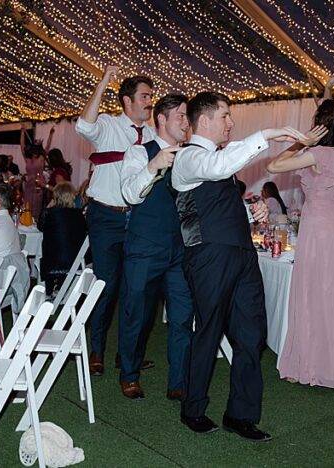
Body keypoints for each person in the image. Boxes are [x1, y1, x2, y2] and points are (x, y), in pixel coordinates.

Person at [171, 91, 300, 441]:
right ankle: (193, 408)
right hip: (209, 255)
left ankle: (241, 415)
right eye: (225, 115)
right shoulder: (188, 157)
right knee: (208, 331)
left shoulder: (218, 159)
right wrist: (268, 134)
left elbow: (216, 201)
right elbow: (216, 169)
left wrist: (250, 211)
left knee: (251, 334)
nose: (231, 122)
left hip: (242, 254)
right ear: (205, 120)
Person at [267, 99, 334, 387]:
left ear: (319, 127)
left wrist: (302, 141)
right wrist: (328, 91)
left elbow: (274, 165)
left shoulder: (317, 153)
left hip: (319, 225)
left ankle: (311, 364)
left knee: (312, 291)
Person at [76, 65, 155, 376]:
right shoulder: (108, 125)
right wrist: (104, 82)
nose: (150, 102)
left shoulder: (153, 135)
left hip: (139, 219)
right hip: (106, 216)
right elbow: (84, 125)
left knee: (135, 289)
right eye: (144, 96)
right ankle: (97, 349)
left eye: (151, 96)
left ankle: (128, 354)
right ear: (127, 101)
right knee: (106, 286)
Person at [118, 93, 193, 400]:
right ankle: (129, 374)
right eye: (181, 116)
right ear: (161, 118)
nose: (186, 122)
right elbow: (129, 194)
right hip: (144, 247)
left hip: (180, 249)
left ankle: (179, 381)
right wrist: (153, 166)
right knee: (136, 313)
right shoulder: (139, 152)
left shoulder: (191, 156)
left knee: (182, 316)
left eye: (188, 117)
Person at [39, 182, 87, 296]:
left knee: (48, 247)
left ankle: (49, 291)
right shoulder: (79, 215)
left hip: (53, 263)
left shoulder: (50, 213)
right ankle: (60, 288)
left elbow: (40, 226)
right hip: (76, 260)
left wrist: (47, 207)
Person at [21, 128, 48, 217]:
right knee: (27, 206)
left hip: (38, 185)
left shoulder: (41, 158)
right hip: (29, 185)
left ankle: (36, 222)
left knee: (37, 206)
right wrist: (22, 133)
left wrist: (51, 135)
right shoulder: (28, 159)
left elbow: (47, 147)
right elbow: (22, 146)